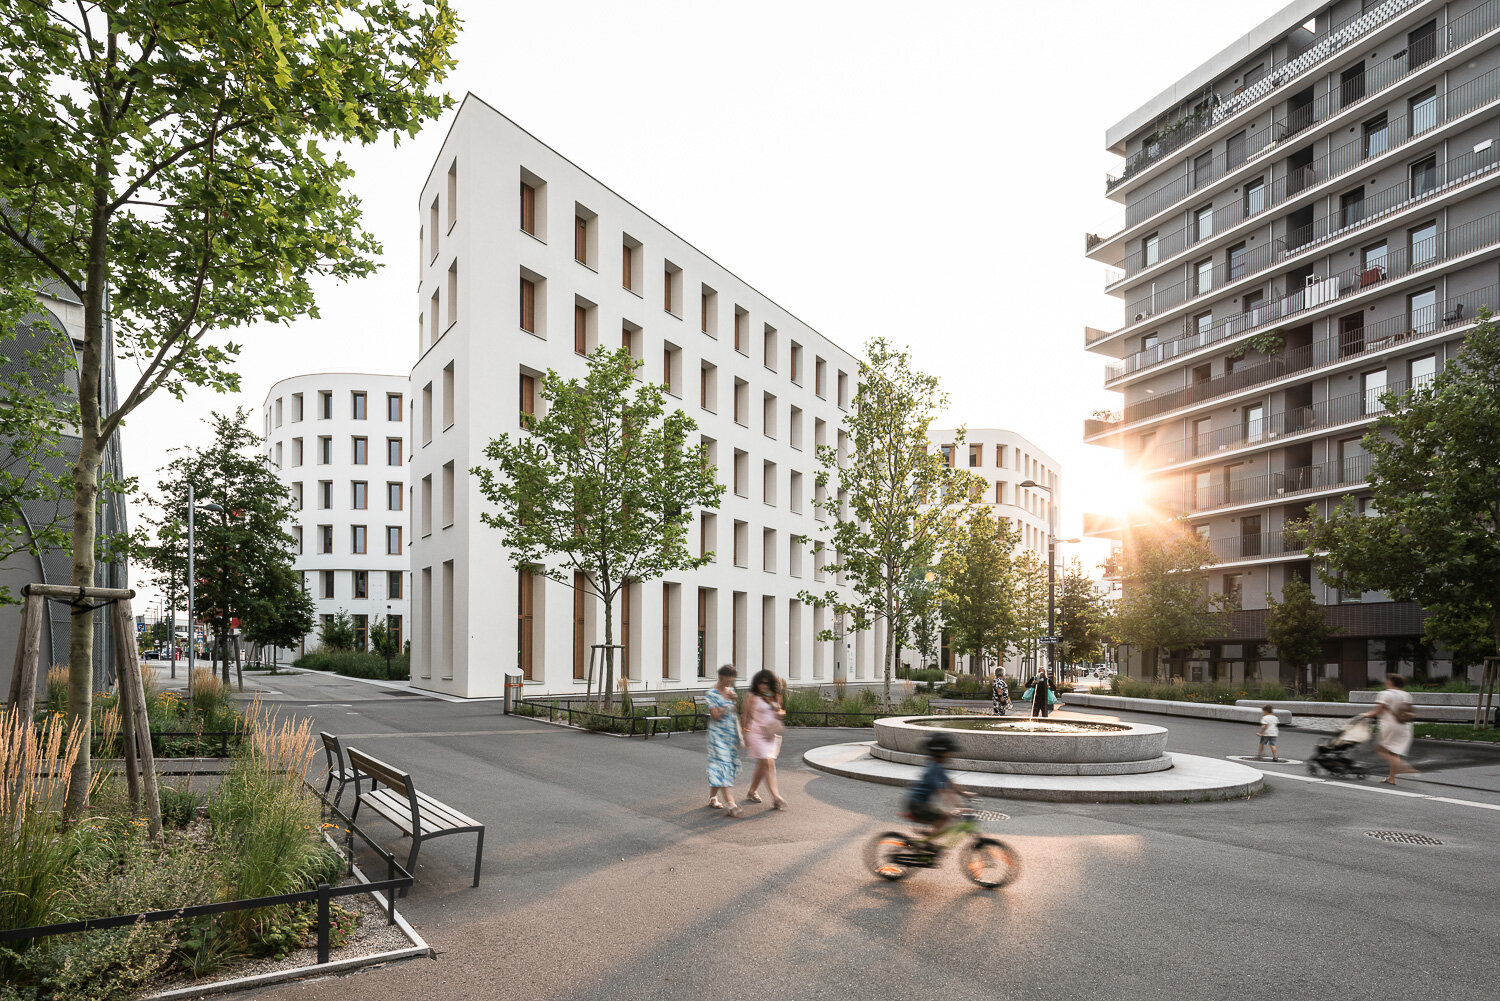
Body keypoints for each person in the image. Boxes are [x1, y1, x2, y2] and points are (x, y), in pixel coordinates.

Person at [905, 733, 974, 844]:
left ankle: (924, 843)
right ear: (940, 753)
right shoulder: (932, 770)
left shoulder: (937, 766)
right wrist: (958, 808)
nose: (950, 754)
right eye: (948, 752)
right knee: (944, 817)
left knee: (941, 820)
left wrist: (964, 793)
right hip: (917, 805)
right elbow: (943, 792)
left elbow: (949, 782)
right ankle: (923, 845)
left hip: (920, 803)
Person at [741, 669, 788, 810]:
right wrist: (744, 733)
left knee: (765, 764)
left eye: (767, 683)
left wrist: (779, 712)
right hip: (756, 734)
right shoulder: (752, 697)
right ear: (757, 683)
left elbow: (781, 710)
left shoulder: (774, 696)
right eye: (761, 683)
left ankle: (752, 791)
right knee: (768, 763)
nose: (764, 686)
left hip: (770, 734)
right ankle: (776, 797)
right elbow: (745, 716)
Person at [1361, 673, 1417, 784]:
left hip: (1390, 725)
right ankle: (1391, 778)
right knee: (1394, 752)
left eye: (1387, 680)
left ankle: (1403, 766)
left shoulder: (1385, 694)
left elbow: (1378, 711)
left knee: (1380, 749)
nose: (1385, 682)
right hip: (1404, 726)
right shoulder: (1406, 695)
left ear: (1391, 682)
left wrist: (1364, 715)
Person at [704, 665, 744, 818]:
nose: (731, 682)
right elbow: (715, 715)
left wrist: (733, 701)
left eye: (732, 679)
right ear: (721, 677)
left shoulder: (731, 692)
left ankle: (713, 797)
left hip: (729, 736)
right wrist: (727, 702)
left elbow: (733, 715)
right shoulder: (711, 694)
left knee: (723, 766)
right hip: (717, 737)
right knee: (723, 767)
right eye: (729, 679)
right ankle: (731, 804)